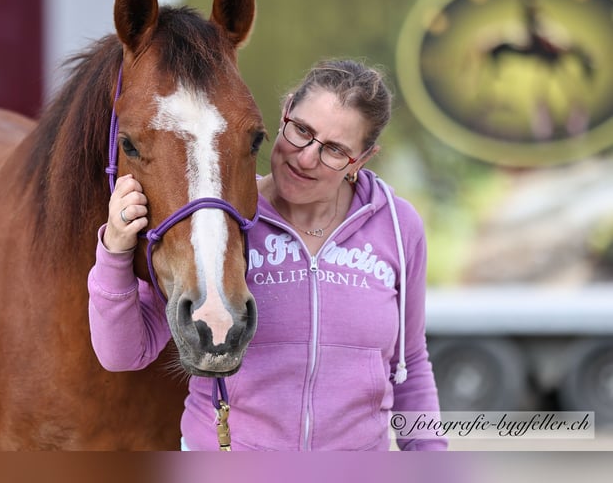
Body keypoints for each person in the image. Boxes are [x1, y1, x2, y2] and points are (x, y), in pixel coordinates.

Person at [88, 58, 447, 451]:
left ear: (360, 160)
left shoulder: (398, 227)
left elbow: (409, 366)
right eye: (302, 131)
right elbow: (124, 354)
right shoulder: (218, 222)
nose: (306, 158)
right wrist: (115, 252)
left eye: (334, 150)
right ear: (286, 111)